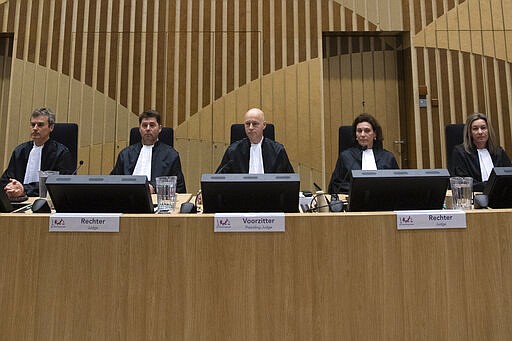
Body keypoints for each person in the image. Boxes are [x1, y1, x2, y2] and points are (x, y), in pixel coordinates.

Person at [1, 107, 75, 198]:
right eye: (33, 125)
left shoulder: (61, 153)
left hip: (47, 202)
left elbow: (60, 183)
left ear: (51, 127)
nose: (35, 128)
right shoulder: (20, 151)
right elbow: (6, 178)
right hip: (18, 201)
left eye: (40, 125)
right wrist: (11, 187)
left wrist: (24, 189)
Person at [111, 110, 186, 193]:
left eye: (152, 125)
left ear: (160, 128)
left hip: (158, 203)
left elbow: (179, 189)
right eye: (144, 125)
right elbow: (113, 182)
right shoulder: (125, 154)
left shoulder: (171, 155)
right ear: (139, 128)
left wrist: (154, 189)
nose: (148, 129)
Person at [328, 113, 399, 194]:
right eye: (359, 131)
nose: (362, 134)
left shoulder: (388, 158)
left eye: (367, 131)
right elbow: (337, 184)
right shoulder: (346, 157)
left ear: (375, 134)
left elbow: (396, 184)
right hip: (354, 201)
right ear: (355, 134)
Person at [216, 108, 294, 173]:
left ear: (264, 125)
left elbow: (290, 180)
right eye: (247, 124)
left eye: (255, 124)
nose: (250, 127)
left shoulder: (278, 151)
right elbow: (219, 178)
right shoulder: (233, 151)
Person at [449, 112, 511, 191]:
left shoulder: (498, 152)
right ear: (470, 133)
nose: (480, 132)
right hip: (474, 197)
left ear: (488, 130)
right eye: (475, 129)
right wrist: (489, 185)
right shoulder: (460, 153)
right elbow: (463, 182)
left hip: (500, 195)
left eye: (483, 128)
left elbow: (508, 175)